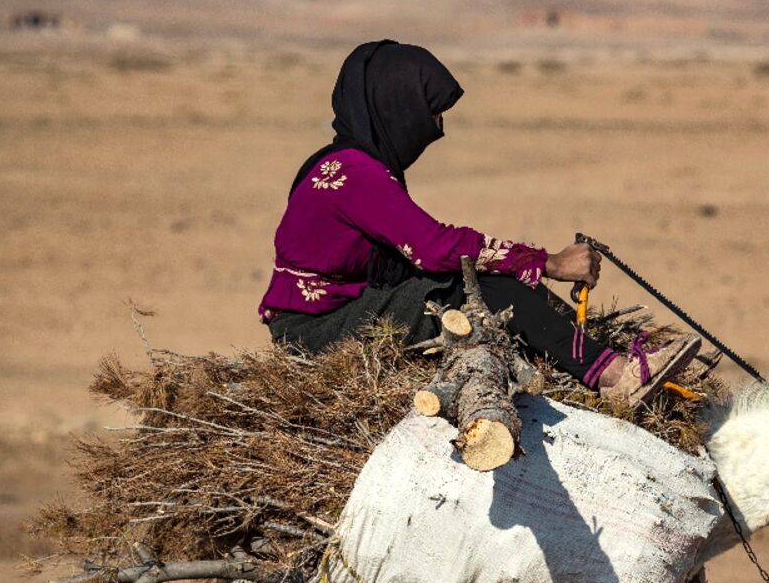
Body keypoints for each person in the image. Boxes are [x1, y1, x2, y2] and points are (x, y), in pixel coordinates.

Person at [258, 40, 699, 406]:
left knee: (489, 281)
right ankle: (615, 377)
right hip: (316, 330)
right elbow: (433, 247)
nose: (439, 127)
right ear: (398, 108)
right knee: (484, 287)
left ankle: (592, 356)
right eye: (431, 112)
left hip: (336, 311)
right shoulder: (356, 173)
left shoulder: (351, 164)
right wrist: (548, 263)